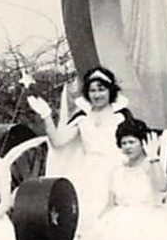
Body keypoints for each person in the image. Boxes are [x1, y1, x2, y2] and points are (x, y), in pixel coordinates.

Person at [25, 65, 135, 201]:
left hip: (118, 169)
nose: (97, 95)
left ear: (110, 91)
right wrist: (46, 115)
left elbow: (134, 145)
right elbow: (58, 142)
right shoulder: (83, 118)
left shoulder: (121, 117)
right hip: (90, 174)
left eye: (101, 90)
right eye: (92, 91)